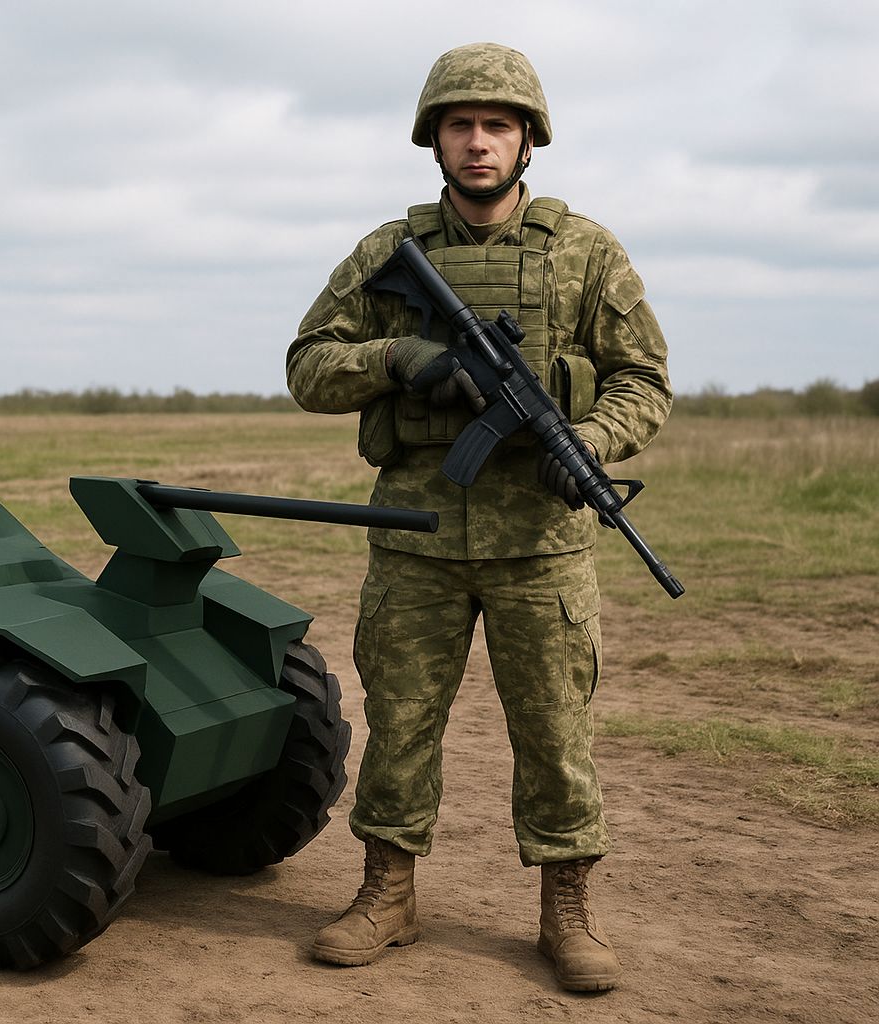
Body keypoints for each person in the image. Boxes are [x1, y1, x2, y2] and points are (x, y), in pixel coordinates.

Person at [285, 42, 671, 992]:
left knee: (554, 733)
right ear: (435, 141)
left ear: (528, 141)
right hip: (417, 535)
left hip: (541, 545)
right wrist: (398, 361)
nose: (479, 141)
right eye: (461, 124)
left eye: (498, 125)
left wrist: (589, 441)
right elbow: (306, 365)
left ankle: (567, 910)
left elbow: (646, 379)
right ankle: (387, 892)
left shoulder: (584, 252)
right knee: (401, 723)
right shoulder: (388, 254)